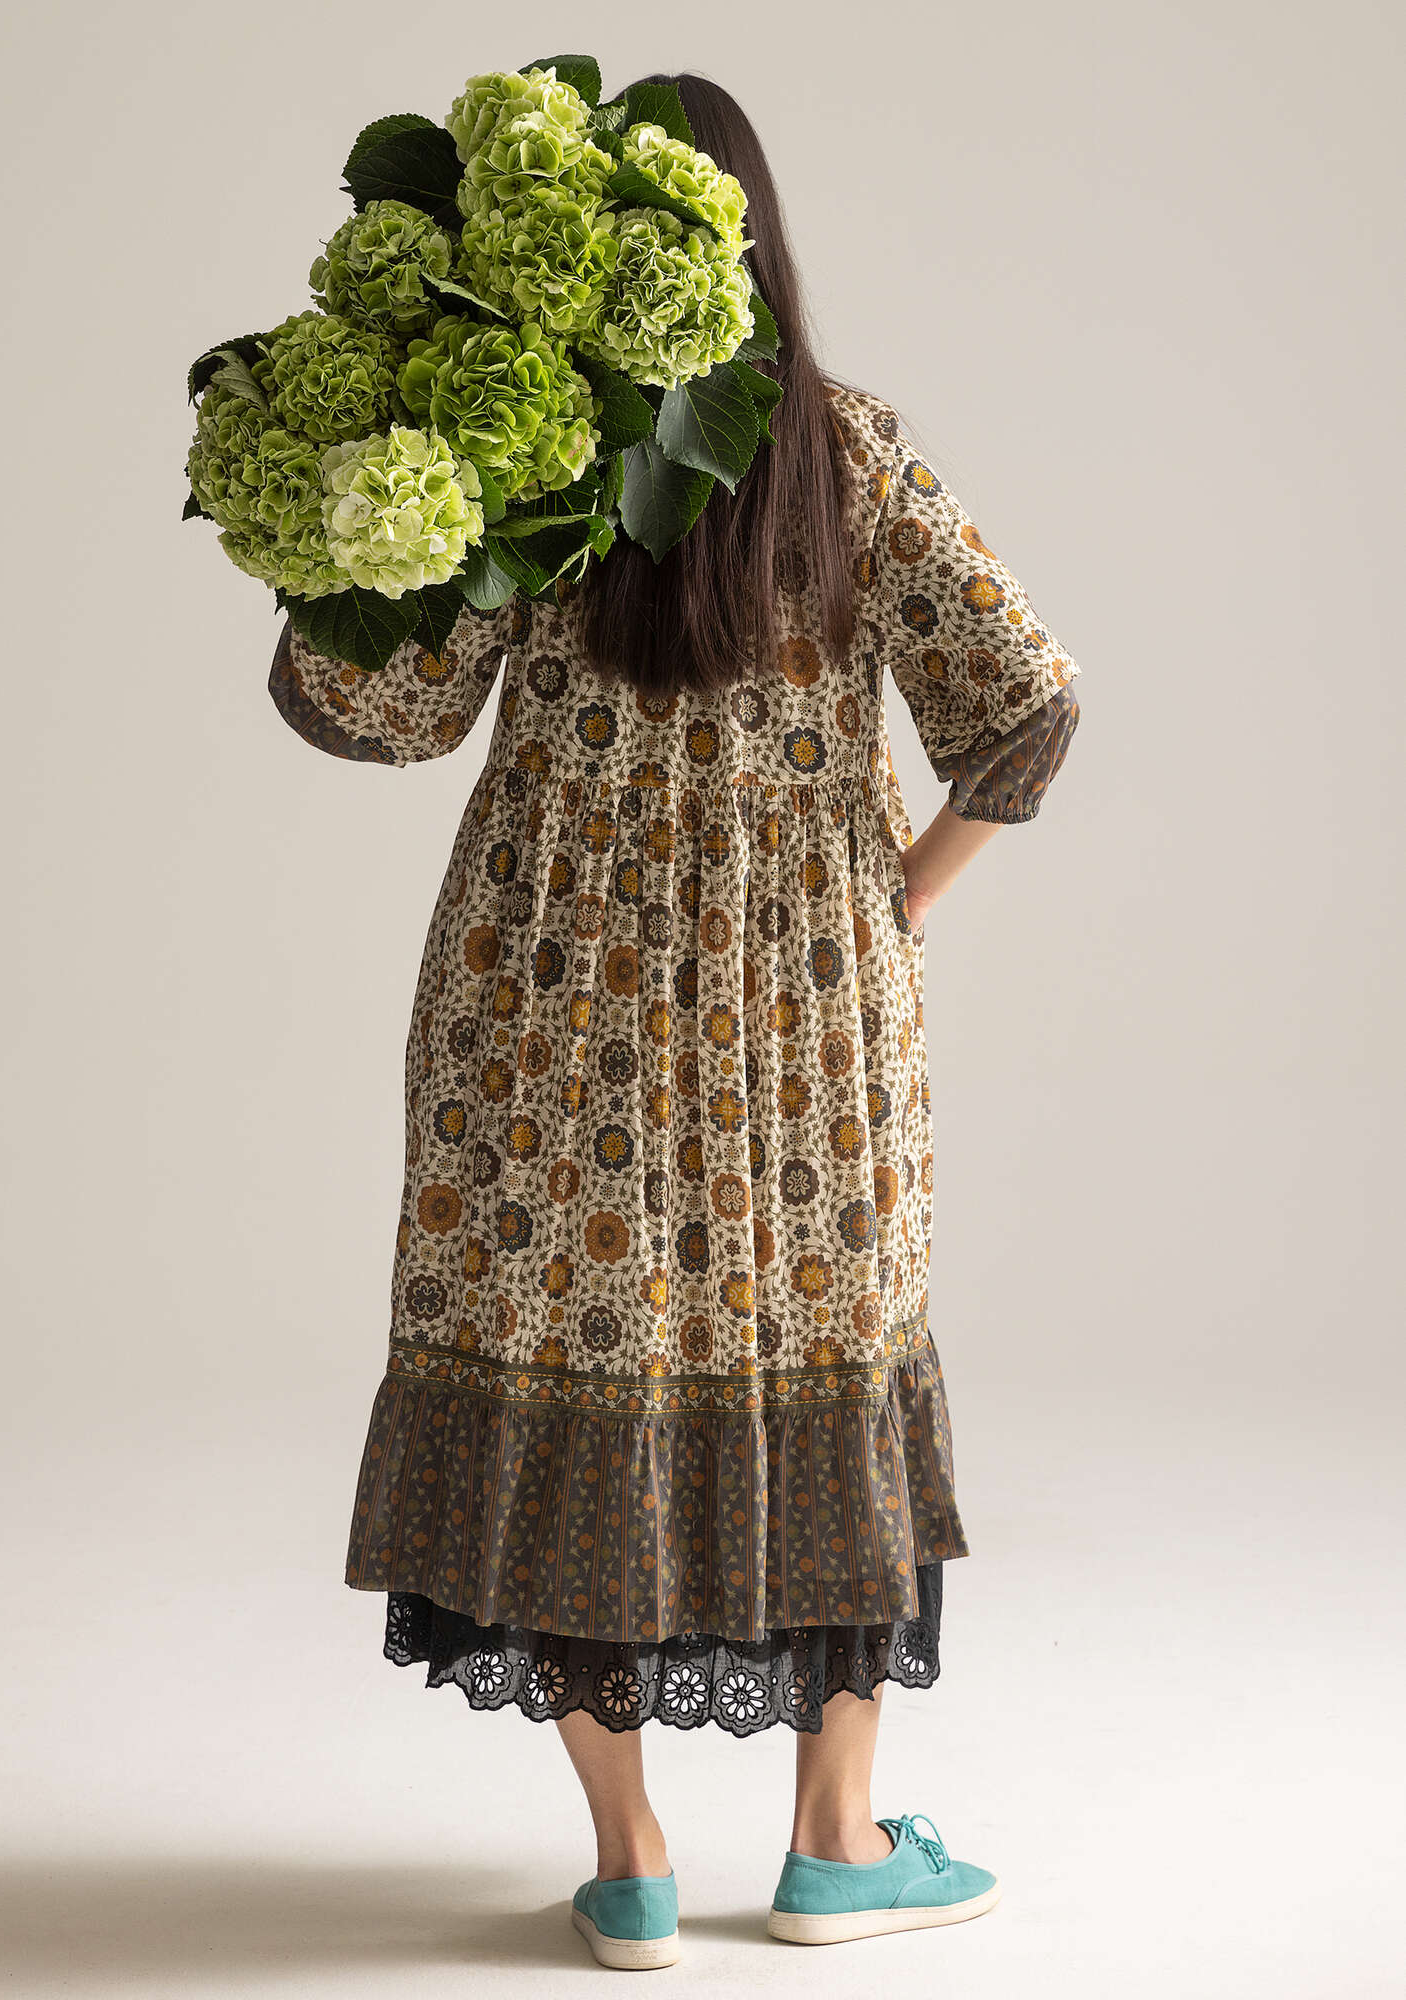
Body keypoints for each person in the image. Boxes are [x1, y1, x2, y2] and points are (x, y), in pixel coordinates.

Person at [269, 69, 1081, 1971]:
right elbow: (1025, 708)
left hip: (542, 1007)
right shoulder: (850, 456)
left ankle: (629, 1862)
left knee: (563, 1375)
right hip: (804, 1014)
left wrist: (349, 495)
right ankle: (835, 1846)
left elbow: (382, 713)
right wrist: (896, 898)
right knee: (825, 1376)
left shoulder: (530, 475)